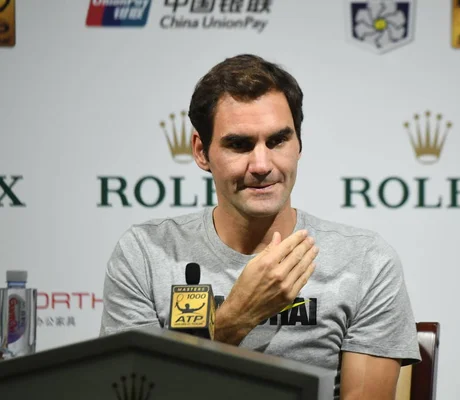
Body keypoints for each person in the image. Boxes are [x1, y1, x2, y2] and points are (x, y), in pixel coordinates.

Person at [99, 54, 421, 399]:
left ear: (299, 143)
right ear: (201, 151)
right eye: (239, 144)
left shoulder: (366, 260)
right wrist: (234, 318)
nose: (262, 164)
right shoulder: (145, 253)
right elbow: (133, 393)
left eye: (278, 140)